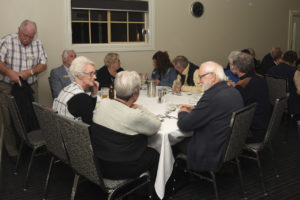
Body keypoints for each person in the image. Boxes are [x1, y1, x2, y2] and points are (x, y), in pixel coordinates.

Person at [91, 71, 160, 194]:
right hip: (119, 168)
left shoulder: (103, 103)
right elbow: (156, 125)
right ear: (135, 94)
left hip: (99, 163)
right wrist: (140, 107)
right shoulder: (134, 115)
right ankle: (155, 194)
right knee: (154, 154)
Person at [173, 61, 243, 172]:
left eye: (201, 77)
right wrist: (196, 109)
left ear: (213, 76)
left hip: (211, 151)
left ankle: (177, 179)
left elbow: (184, 125)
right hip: (229, 145)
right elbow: (215, 111)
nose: (198, 81)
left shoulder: (211, 96)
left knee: (173, 142)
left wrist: (182, 111)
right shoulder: (233, 91)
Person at [0, 19, 47, 161]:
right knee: (9, 118)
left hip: (30, 87)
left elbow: (43, 64)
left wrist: (31, 71)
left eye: (30, 37)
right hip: (8, 86)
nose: (27, 39)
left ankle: (29, 146)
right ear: (19, 30)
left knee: (31, 116)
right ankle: (12, 151)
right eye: (24, 35)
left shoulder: (38, 44)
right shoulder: (7, 41)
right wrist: (10, 73)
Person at [231, 52, 271, 143]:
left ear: (237, 68)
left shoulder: (242, 86)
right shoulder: (260, 79)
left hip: (252, 132)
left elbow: (233, 108)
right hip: (264, 126)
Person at [52, 56, 99, 125]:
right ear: (79, 75)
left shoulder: (67, 88)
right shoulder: (82, 98)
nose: (95, 77)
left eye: (94, 73)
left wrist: (94, 93)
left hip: (59, 130)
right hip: (72, 134)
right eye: (91, 74)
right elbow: (89, 125)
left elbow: (88, 109)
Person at [267, 50, 300, 118]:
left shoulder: (271, 70)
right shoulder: (294, 72)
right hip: (290, 104)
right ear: (294, 61)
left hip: (273, 102)